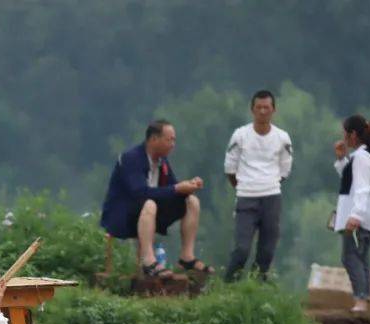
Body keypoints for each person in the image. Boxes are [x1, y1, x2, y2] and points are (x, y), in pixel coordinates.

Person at [100, 119, 213, 279]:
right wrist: (176, 188)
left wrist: (188, 186)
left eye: (174, 140)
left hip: (149, 214)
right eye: (169, 140)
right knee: (150, 203)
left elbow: (172, 188)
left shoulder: (162, 161)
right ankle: (149, 261)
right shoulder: (130, 158)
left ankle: (187, 257)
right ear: (153, 139)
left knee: (191, 201)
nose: (173, 144)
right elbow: (140, 193)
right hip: (124, 216)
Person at [223, 90, 294, 281]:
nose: (262, 111)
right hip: (246, 196)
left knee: (267, 250)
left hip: (271, 197)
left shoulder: (282, 138)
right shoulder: (240, 135)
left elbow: (285, 169)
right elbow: (230, 167)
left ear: (273, 110)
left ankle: (256, 288)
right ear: (252, 110)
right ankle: (228, 287)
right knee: (242, 248)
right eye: (259, 107)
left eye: (266, 107)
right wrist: (243, 186)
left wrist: (269, 183)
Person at [333, 114, 370, 312]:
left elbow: (361, 187)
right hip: (363, 211)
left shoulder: (362, 157)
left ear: (353, 134)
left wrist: (356, 215)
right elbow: (350, 179)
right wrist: (342, 159)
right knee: (361, 257)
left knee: (350, 256)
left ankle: (360, 297)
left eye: (345, 133)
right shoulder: (366, 154)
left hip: (359, 213)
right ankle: (364, 296)